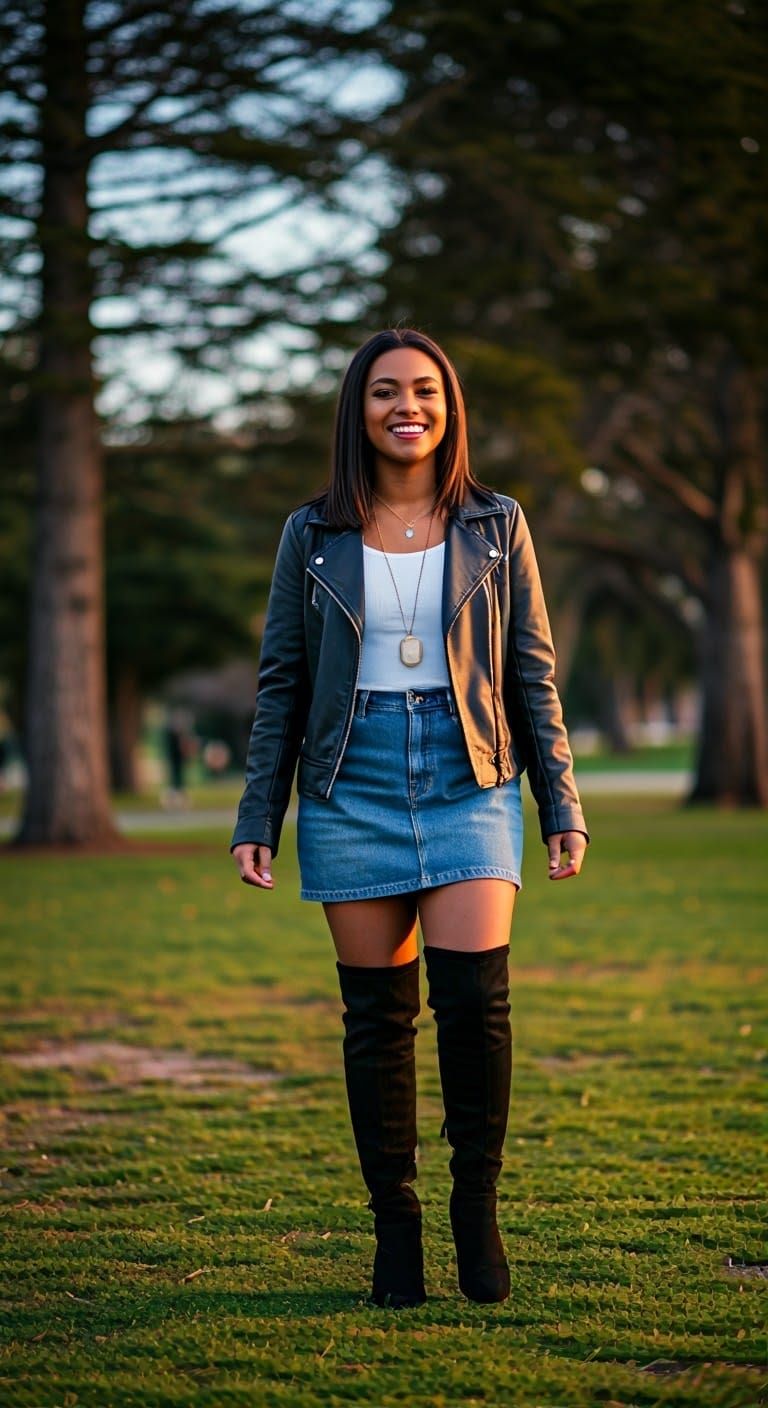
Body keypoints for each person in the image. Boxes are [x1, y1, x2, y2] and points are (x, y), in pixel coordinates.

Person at [231, 327, 589, 1309]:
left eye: (424, 390)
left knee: (476, 1005)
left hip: (469, 770)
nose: (407, 407)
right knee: (378, 1023)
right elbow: (282, 680)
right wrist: (258, 809)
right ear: (359, 409)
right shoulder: (312, 533)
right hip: (351, 777)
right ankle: (397, 1228)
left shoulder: (496, 522)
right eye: (386, 391)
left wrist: (560, 800)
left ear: (448, 405)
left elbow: (531, 672)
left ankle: (476, 1210)